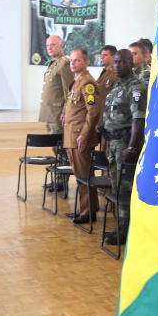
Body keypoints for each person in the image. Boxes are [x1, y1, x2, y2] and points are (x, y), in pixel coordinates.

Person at [100, 49, 146, 244]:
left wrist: (133, 147)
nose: (116, 65)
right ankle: (121, 225)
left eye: (121, 62)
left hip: (125, 144)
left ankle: (126, 230)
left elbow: (138, 119)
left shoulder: (135, 87)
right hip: (114, 143)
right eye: (115, 62)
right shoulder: (119, 85)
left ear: (130, 64)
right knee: (117, 186)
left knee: (125, 187)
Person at [61, 49, 104, 224]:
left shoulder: (87, 83)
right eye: (71, 60)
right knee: (80, 176)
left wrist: (85, 135)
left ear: (86, 62)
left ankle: (89, 212)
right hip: (71, 136)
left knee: (84, 176)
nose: (72, 63)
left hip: (80, 137)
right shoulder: (77, 81)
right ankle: (84, 208)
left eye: (77, 60)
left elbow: (93, 112)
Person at [38, 35, 72, 191]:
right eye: (47, 45)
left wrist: (65, 112)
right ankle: (57, 178)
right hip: (50, 114)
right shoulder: (53, 64)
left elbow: (68, 92)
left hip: (58, 115)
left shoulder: (64, 64)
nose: (49, 48)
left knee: (60, 148)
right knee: (54, 148)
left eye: (53, 45)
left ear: (61, 45)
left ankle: (61, 181)